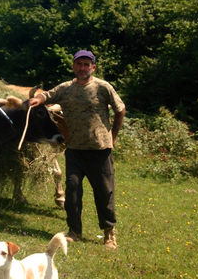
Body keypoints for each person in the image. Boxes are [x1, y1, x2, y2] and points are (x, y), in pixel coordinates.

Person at [29, 50, 126, 250]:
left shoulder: (102, 87)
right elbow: (47, 96)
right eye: (79, 64)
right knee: (72, 191)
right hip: (74, 149)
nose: (82, 68)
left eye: (86, 64)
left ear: (93, 67)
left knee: (104, 192)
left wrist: (113, 136)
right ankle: (74, 231)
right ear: (74, 66)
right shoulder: (65, 89)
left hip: (100, 149)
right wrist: (37, 100)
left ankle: (109, 234)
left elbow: (120, 109)